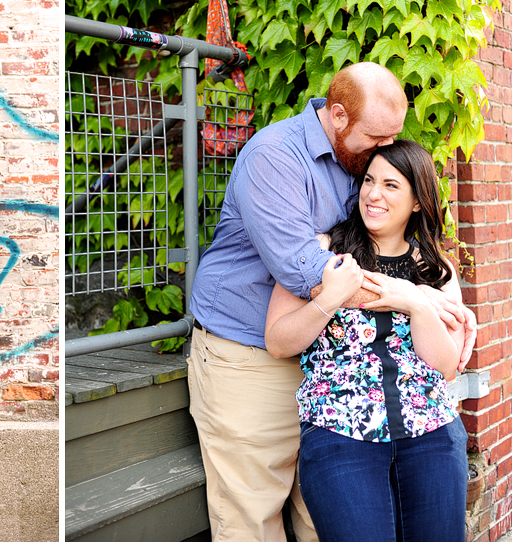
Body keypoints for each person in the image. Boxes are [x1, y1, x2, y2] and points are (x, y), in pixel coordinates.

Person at [186, 62, 476, 542]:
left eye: (393, 139)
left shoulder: (357, 162)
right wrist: (420, 297)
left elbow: (388, 252)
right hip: (249, 354)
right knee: (251, 517)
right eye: (376, 138)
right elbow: (308, 271)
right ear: (338, 116)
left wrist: (434, 297)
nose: (385, 152)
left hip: (326, 368)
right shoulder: (275, 156)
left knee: (321, 522)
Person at [265, 140, 468, 541]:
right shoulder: (324, 252)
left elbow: (444, 366)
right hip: (340, 436)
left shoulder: (435, 267)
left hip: (431, 435)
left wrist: (416, 304)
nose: (373, 194)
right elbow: (278, 340)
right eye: (370, 181)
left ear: (416, 201)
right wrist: (331, 298)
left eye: (391, 185)